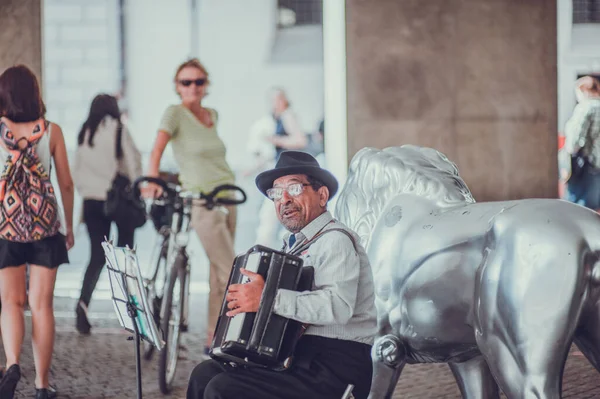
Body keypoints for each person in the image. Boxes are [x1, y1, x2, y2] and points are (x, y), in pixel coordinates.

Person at [187, 151, 377, 399]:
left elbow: (338, 307)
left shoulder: (335, 240)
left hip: (335, 367)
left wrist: (265, 299)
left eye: (294, 188)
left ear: (322, 195)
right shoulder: (293, 246)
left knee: (222, 389)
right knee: (204, 374)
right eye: (276, 193)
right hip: (298, 358)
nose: (283, 199)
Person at [144, 58, 238, 351]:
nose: (193, 87)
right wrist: (152, 180)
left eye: (198, 81)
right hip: (202, 201)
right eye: (186, 82)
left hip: (229, 196)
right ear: (177, 86)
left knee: (218, 273)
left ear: (206, 85)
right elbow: (157, 150)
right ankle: (234, 336)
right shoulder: (174, 114)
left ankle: (214, 337)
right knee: (231, 269)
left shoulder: (213, 114)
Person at [0, 65, 74, 399]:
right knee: (41, 305)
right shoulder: (51, 131)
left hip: (6, 227)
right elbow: (66, 184)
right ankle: (42, 385)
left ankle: (12, 363)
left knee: (10, 302)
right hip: (46, 229)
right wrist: (68, 225)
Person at [73, 94, 142, 334]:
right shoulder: (119, 128)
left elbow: (77, 169)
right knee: (124, 255)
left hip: (91, 201)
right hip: (117, 199)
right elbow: (132, 163)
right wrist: (138, 187)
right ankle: (131, 312)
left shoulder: (84, 132)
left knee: (97, 256)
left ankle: (83, 304)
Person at [564, 75, 600, 210]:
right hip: (597, 165)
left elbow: (575, 140)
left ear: (583, 91)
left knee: (577, 207)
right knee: (593, 208)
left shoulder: (586, 107)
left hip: (585, 164)